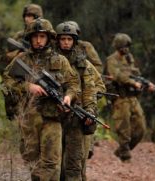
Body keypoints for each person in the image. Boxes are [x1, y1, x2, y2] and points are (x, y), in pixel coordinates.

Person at [3, 18, 80, 181]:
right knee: (31, 159)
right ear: (30, 38)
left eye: (42, 37)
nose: (38, 40)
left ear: (49, 38)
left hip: (52, 117)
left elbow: (73, 84)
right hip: (28, 117)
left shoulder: (60, 60)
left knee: (51, 161)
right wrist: (27, 86)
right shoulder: (21, 59)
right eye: (35, 36)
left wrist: (68, 97)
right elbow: (6, 81)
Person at [55, 21, 103, 181]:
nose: (66, 43)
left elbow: (92, 88)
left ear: (74, 41)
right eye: (63, 39)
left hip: (76, 116)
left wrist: (89, 111)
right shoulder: (50, 60)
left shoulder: (83, 64)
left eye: (69, 39)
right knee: (53, 163)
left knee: (74, 163)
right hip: (52, 116)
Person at [106, 33, 155, 162]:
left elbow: (135, 74)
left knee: (140, 128)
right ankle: (125, 156)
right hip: (120, 97)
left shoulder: (129, 58)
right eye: (124, 46)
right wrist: (132, 82)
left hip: (132, 97)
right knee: (124, 128)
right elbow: (116, 75)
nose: (126, 49)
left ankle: (121, 150)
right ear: (118, 46)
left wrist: (146, 84)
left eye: (128, 46)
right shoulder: (111, 60)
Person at [1, 4, 44, 120]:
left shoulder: (45, 34)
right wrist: (19, 54)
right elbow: (7, 56)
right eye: (25, 16)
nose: (26, 19)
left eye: (30, 16)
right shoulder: (20, 35)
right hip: (22, 76)